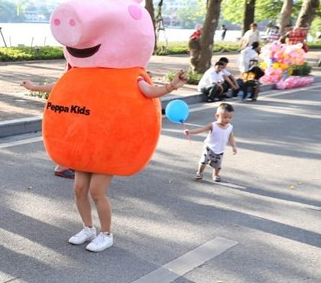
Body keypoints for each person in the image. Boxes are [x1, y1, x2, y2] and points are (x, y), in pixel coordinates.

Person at [67, 69, 189, 253]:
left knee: (97, 191)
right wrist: (36, 87)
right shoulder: (91, 74)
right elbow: (64, 87)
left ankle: (106, 235)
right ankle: (88, 229)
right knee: (79, 189)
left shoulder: (129, 76)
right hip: (87, 140)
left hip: (110, 142)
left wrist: (172, 85)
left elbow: (148, 91)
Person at [20, 79, 74, 179]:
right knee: (68, 133)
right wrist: (33, 87)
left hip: (76, 103)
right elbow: (61, 85)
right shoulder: (76, 66)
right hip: (70, 104)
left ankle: (71, 163)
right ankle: (62, 166)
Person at [184, 103, 237, 183]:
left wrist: (234, 146)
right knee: (203, 161)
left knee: (217, 166)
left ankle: (215, 175)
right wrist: (190, 132)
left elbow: (231, 137)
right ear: (217, 116)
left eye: (230, 118)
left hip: (220, 150)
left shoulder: (229, 127)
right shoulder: (213, 125)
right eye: (225, 117)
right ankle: (199, 172)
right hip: (209, 148)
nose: (228, 120)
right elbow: (201, 130)